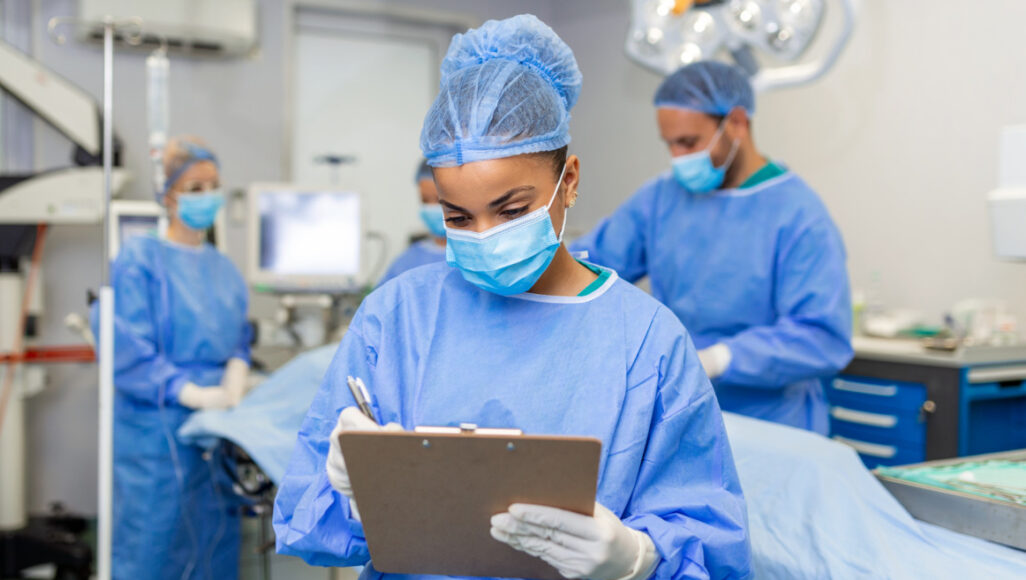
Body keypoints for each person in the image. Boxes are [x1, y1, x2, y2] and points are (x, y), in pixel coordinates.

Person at [273, 15, 750, 580]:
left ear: (568, 180)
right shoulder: (398, 317)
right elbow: (306, 516)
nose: (484, 236)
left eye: (512, 210)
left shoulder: (646, 340)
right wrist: (353, 493)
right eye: (458, 217)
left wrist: (639, 558)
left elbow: (712, 543)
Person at [571, 61, 853, 435]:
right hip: (682, 411)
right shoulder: (661, 198)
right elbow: (586, 266)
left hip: (770, 423)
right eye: (670, 144)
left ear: (736, 123)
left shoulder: (798, 214)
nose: (678, 157)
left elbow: (822, 338)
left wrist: (719, 359)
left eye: (689, 142)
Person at [96, 136, 250, 579]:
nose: (207, 197)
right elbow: (126, 347)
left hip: (216, 431)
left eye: (213, 186)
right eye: (195, 187)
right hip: (156, 428)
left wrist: (236, 374)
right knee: (151, 544)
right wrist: (188, 391)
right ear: (169, 196)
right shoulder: (139, 260)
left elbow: (238, 336)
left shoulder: (224, 269)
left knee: (213, 543)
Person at [378, 160, 447, 285]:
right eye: (425, 200)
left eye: (438, 199)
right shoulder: (408, 261)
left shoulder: (474, 259)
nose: (431, 207)